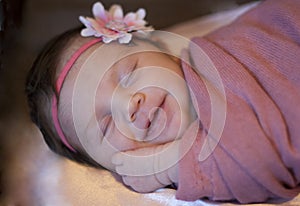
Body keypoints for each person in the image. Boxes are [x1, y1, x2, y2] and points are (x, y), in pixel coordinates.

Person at [26, 0, 300, 204]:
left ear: (161, 49)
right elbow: (259, 164)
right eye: (107, 125)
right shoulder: (203, 157)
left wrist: (170, 165)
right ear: (120, 167)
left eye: (128, 73)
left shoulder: (215, 59)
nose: (129, 104)